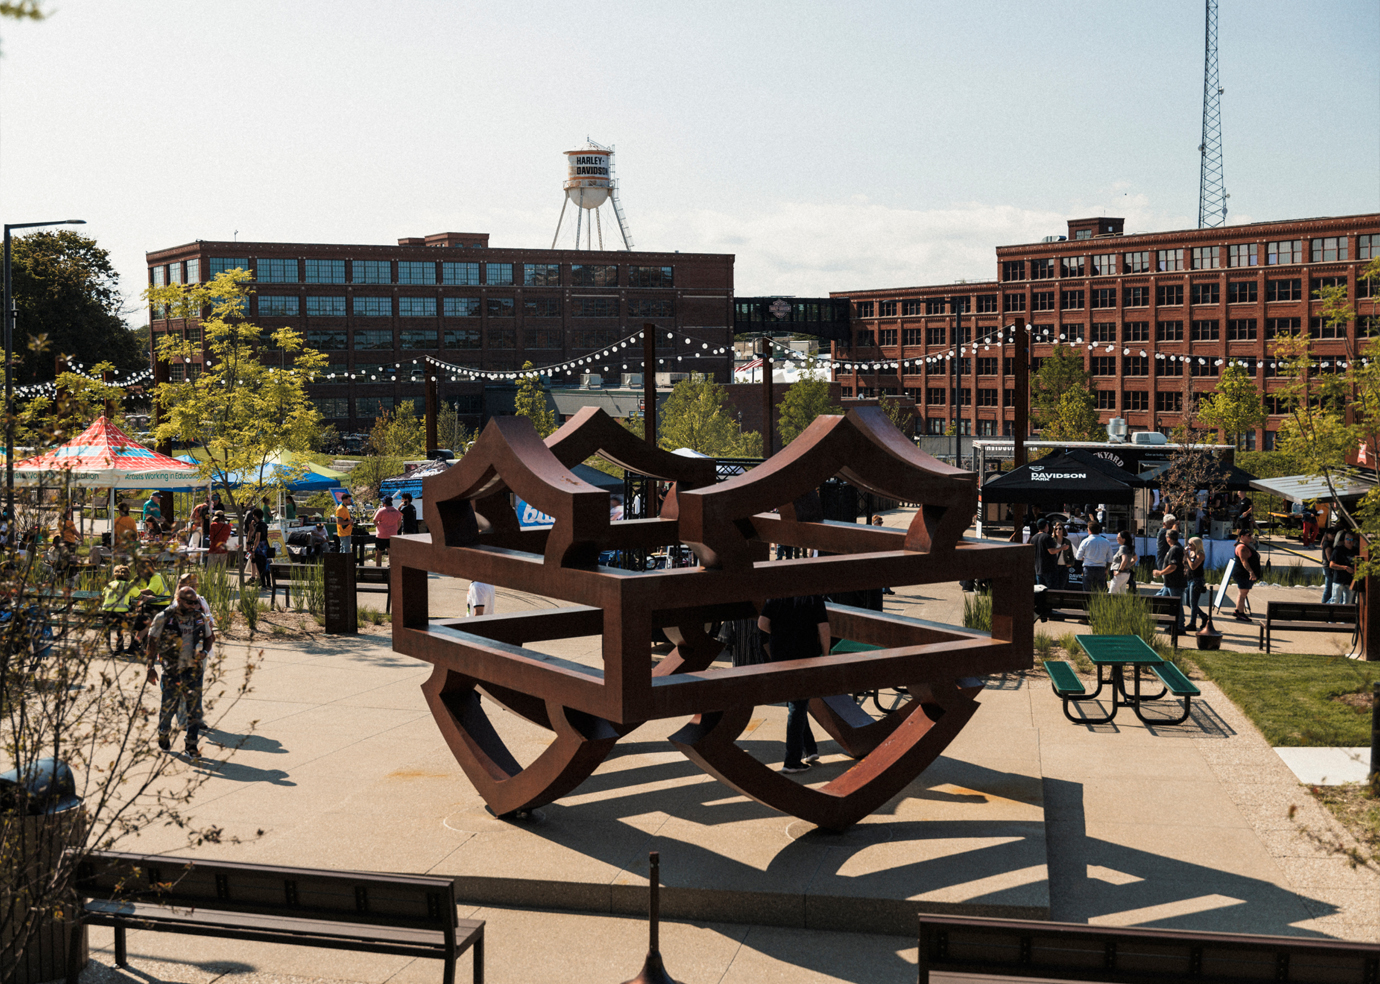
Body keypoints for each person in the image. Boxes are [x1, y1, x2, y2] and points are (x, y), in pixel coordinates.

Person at [757, 594, 831, 774]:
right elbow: (824, 628)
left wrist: (780, 633)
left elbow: (761, 623)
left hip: (781, 654)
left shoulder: (776, 597)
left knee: (795, 701)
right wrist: (826, 655)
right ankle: (792, 761)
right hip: (805, 655)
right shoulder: (813, 598)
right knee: (797, 706)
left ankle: (810, 748)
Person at [145, 586, 215, 758]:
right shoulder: (164, 617)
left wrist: (205, 652)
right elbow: (152, 642)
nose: (194, 605)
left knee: (195, 709)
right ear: (178, 599)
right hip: (171, 670)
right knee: (169, 707)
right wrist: (150, 667)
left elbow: (210, 637)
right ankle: (164, 732)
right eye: (190, 602)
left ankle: (191, 745)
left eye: (196, 602)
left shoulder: (199, 617)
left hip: (194, 670)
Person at [1154, 528, 1187, 634]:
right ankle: (1171, 624)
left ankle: (1180, 626)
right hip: (1169, 583)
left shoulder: (1175, 549)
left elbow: (1173, 566)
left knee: (1177, 604)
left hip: (1175, 583)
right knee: (1164, 601)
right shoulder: (1175, 548)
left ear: (1168, 538)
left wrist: (1160, 573)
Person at [100, 563, 137, 654]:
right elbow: (140, 596)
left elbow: (103, 596)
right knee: (127, 624)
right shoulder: (129, 585)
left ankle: (109, 646)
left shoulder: (110, 584)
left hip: (107, 614)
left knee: (108, 628)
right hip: (121, 614)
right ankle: (120, 646)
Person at [1074, 521, 1116, 595]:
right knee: (1100, 592)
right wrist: (1106, 569)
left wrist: (1084, 558)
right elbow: (1110, 559)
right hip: (1101, 568)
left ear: (1089, 530)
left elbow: (1078, 557)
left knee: (1087, 592)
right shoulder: (1106, 541)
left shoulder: (1085, 541)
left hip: (1088, 568)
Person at [1232, 530, 1261, 621]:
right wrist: (1251, 572)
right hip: (1243, 574)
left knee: (1242, 593)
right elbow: (1244, 561)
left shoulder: (1245, 546)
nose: (1250, 537)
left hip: (1243, 574)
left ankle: (1237, 610)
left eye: (1250, 535)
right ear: (1242, 536)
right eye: (1248, 535)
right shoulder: (1242, 548)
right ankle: (1241, 613)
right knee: (1242, 594)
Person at [1184, 536, 1208, 632]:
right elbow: (1188, 566)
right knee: (1188, 603)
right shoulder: (1191, 553)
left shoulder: (1200, 554)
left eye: (1191, 544)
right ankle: (1204, 616)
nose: (1189, 546)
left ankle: (1192, 623)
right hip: (1189, 579)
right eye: (1188, 544)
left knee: (1193, 603)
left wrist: (1187, 557)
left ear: (1196, 545)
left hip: (1197, 580)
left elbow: (1193, 567)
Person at [371, 495, 402, 567]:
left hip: (381, 535)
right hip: (393, 535)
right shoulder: (396, 511)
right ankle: (392, 568)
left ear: (384, 503)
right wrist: (396, 529)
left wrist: (378, 525)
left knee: (379, 552)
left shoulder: (381, 510)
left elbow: (375, 521)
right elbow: (400, 522)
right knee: (391, 553)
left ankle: (378, 567)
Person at [1330, 530, 1358, 605]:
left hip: (1350, 581)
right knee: (1335, 601)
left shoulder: (1356, 551)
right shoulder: (1338, 549)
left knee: (1348, 603)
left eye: (1351, 539)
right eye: (1347, 539)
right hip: (1338, 580)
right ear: (1344, 540)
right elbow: (1331, 565)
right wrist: (1344, 567)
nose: (1349, 541)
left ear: (1354, 541)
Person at [1031, 519, 1060, 588]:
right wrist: (1062, 548)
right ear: (1046, 526)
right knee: (1051, 590)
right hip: (1048, 569)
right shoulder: (1047, 537)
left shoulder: (1033, 538)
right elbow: (1051, 551)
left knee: (1040, 591)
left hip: (1038, 569)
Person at [246, 507, 270, 586]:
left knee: (257, 562)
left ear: (255, 516)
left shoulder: (259, 525)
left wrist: (253, 549)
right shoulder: (263, 524)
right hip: (264, 545)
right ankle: (254, 577)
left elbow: (257, 539)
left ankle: (259, 579)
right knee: (254, 561)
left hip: (259, 547)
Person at [1155, 514, 1178, 596]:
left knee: (1166, 586)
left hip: (1167, 560)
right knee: (1167, 584)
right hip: (1163, 561)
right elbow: (1175, 532)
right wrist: (1175, 525)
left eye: (1173, 523)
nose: (1172, 525)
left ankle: (1156, 599)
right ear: (1164, 524)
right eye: (1170, 523)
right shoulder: (1163, 532)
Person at [1109, 530, 1138, 595]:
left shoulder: (1123, 548)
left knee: (1112, 593)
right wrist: (1127, 566)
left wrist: (1119, 570)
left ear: (1123, 539)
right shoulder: (1129, 548)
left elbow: (1125, 560)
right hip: (1126, 574)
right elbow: (1135, 559)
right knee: (1122, 593)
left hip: (1119, 574)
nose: (1117, 538)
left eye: (1118, 537)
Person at [1320, 528, 1336, 604]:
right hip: (1327, 567)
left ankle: (1326, 602)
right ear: (1327, 535)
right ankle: (1324, 603)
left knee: (1329, 587)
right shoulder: (1327, 544)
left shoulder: (1328, 543)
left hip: (1326, 567)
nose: (1334, 536)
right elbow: (1329, 558)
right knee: (1328, 587)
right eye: (1332, 534)